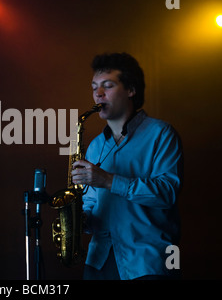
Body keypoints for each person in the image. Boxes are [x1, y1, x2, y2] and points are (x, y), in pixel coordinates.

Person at [71, 53, 183, 280]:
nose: (98, 94)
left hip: (148, 262)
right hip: (99, 262)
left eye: (107, 86)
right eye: (94, 88)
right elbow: (91, 202)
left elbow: (167, 193)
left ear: (131, 90)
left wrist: (109, 180)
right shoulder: (95, 146)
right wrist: (76, 218)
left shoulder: (161, 134)